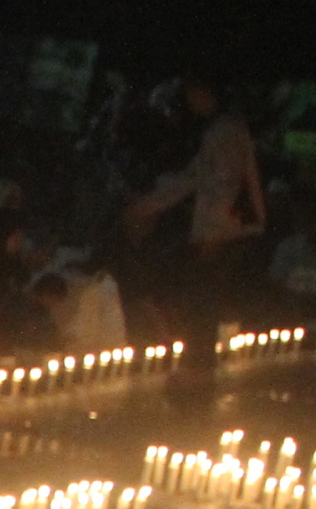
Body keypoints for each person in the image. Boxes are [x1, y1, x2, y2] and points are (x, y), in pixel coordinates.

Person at [120, 77, 264, 373]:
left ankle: (198, 367)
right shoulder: (219, 130)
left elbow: (224, 185)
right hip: (219, 228)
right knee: (201, 296)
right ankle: (196, 363)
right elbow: (193, 178)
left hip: (226, 230)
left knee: (205, 298)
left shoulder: (227, 131)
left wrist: (213, 234)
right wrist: (148, 204)